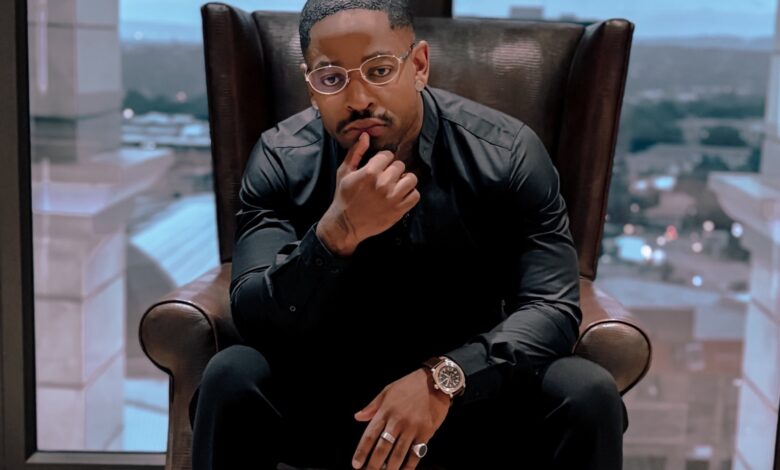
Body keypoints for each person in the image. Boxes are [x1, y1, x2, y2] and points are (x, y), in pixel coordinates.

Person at [190, 1, 625, 469]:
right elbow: (254, 318)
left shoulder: (507, 154)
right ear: (311, 87)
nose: (358, 99)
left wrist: (444, 378)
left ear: (418, 65)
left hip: (468, 401)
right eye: (332, 78)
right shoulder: (281, 158)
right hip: (329, 404)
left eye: (379, 70)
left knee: (586, 393)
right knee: (232, 375)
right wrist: (335, 234)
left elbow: (551, 308)